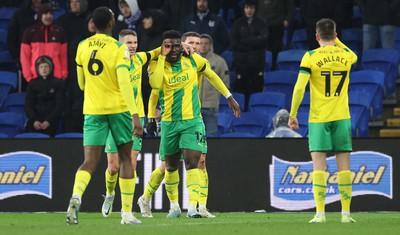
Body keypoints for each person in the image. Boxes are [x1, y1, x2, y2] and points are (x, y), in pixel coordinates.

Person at [146, 30, 240, 218]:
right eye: (168, 46)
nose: (173, 49)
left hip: (192, 120)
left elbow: (212, 75)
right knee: (170, 166)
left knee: (194, 162)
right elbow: (155, 86)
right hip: (169, 122)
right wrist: (150, 116)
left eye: (176, 45)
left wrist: (229, 96)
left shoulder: (193, 60)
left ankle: (194, 207)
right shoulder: (156, 63)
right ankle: (172, 206)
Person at [66, 6, 143, 225]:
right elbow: (124, 83)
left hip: (92, 110)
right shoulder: (119, 49)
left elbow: (81, 84)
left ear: (93, 24)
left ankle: (76, 196)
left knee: (89, 162)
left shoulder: (82, 46)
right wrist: (135, 115)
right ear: (111, 23)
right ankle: (127, 214)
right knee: (127, 159)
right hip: (118, 110)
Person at [288, 18, 357, 223]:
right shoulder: (346, 56)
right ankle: (346, 214)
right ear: (335, 36)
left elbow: (300, 88)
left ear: (316, 36)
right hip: (342, 117)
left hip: (319, 118)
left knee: (319, 167)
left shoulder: (309, 57)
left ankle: (320, 214)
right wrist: (337, 41)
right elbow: (353, 54)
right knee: (344, 166)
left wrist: (293, 114)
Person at [100, 29, 161, 223]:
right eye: (129, 42)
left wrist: (177, 45)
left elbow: (158, 51)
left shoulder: (139, 59)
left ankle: (126, 210)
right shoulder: (113, 63)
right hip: (115, 117)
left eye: (135, 42)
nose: (133, 45)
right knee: (113, 167)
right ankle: (109, 194)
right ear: (120, 44)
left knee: (131, 164)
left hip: (137, 118)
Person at [55, 0, 91, 133]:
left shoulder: (89, 20)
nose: (74, 4)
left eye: (77, 1)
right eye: (71, 2)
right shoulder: (62, 21)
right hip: (69, 67)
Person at [231, 0, 268, 111]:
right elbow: (234, 43)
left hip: (257, 62)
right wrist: (253, 43)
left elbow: (263, 41)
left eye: (251, 8)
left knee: (257, 89)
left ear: (255, 9)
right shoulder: (237, 23)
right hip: (241, 63)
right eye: (247, 8)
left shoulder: (261, 23)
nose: (249, 10)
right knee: (241, 89)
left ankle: (256, 112)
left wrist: (244, 41)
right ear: (243, 9)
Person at [20, 3, 68, 83]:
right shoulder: (29, 32)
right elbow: (24, 57)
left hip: (56, 78)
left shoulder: (59, 32)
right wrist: (28, 77)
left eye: (50, 14)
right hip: (35, 78)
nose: (48, 16)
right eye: (45, 13)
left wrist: (64, 74)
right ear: (40, 15)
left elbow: (63, 56)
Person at [24, 55, 65, 137]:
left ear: (51, 67)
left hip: (52, 120)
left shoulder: (58, 83)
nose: (44, 69)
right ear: (37, 69)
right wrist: (34, 120)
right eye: (41, 67)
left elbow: (59, 106)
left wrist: (49, 121)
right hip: (35, 120)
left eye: (46, 66)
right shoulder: (32, 84)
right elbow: (28, 105)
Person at [199, 33, 230, 137]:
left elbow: (225, 83)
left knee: (211, 137)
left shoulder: (219, 61)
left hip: (211, 107)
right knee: (193, 137)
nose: (203, 46)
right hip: (194, 107)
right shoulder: (191, 61)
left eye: (206, 43)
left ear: (210, 45)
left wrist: (215, 97)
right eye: (201, 43)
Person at [257, 0, 295, 69]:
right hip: (261, 24)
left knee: (276, 49)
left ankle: (274, 69)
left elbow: (290, 5)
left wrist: (288, 19)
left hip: (277, 24)